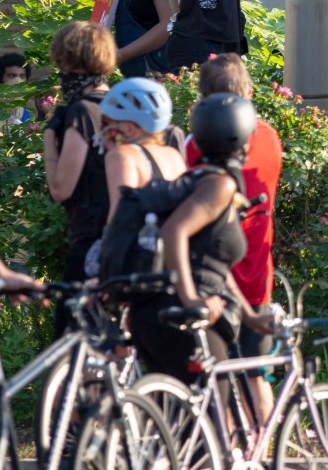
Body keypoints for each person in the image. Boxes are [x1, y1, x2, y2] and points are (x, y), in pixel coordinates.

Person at [129, 92, 272, 394]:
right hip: (185, 316)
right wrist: (191, 299)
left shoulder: (199, 181)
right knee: (218, 421)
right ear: (242, 139)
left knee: (177, 427)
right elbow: (173, 232)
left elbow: (212, 265)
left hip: (154, 314)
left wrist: (249, 317)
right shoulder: (219, 185)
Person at [185, 54, 282, 422]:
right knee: (257, 377)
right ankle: (265, 453)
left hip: (211, 278)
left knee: (219, 381)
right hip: (257, 275)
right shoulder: (270, 138)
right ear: (249, 93)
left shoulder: (195, 147)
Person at [42, 21, 116, 334]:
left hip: (89, 244)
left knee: (70, 349)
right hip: (123, 244)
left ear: (72, 63)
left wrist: (49, 134)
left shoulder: (83, 112)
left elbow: (60, 188)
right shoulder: (120, 105)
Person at [100, 78, 185, 220]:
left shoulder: (121, 156)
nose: (103, 130)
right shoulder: (174, 155)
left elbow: (119, 221)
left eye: (106, 123)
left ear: (129, 129)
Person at [0, 49, 31, 126]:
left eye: (22, 76)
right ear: (0, 79)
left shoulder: (24, 110)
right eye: (12, 76)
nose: (18, 81)